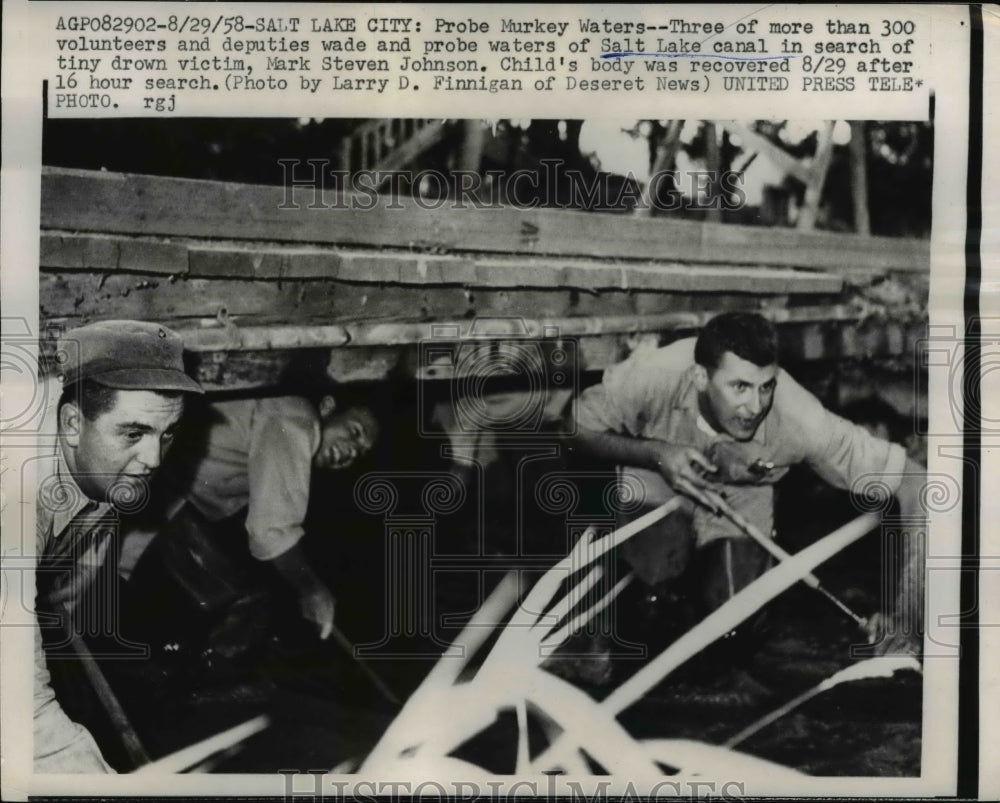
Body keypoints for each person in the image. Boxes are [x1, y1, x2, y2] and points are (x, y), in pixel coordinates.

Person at [570, 312, 925, 660]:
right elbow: (571, 430)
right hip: (656, 470)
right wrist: (657, 455)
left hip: (743, 489)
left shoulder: (801, 419)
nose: (755, 407)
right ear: (700, 378)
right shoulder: (656, 375)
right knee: (646, 603)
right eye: (740, 387)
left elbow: (915, 482)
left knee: (736, 623)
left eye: (766, 386)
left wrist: (909, 618)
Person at [34, 320, 203, 772]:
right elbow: (21, 707)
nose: (153, 459)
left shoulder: (102, 464)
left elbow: (76, 573)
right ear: (72, 423)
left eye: (166, 434)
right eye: (133, 434)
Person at [120, 394, 379, 641]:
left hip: (154, 482)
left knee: (114, 574)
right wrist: (310, 588)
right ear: (327, 406)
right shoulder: (298, 419)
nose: (353, 451)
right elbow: (271, 530)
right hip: (129, 459)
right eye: (354, 432)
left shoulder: (287, 444)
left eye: (361, 451)